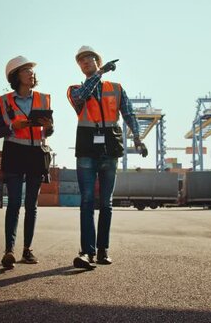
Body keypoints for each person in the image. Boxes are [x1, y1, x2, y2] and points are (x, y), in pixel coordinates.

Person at [66, 46, 147, 270]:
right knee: (86, 201)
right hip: (86, 150)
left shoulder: (117, 88)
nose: (85, 63)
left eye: (88, 59)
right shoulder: (74, 90)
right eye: (80, 62)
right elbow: (83, 96)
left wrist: (138, 139)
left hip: (110, 149)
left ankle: (102, 251)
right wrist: (99, 74)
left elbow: (129, 114)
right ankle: (86, 252)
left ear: (97, 60)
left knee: (106, 203)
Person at [0, 56, 53, 270]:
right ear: (16, 76)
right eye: (26, 70)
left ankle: (27, 250)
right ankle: (9, 250)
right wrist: (12, 127)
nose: (31, 73)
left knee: (31, 205)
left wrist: (48, 128)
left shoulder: (44, 99)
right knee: (14, 202)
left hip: (36, 153)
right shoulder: (4, 101)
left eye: (31, 70)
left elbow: (50, 130)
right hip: (14, 153)